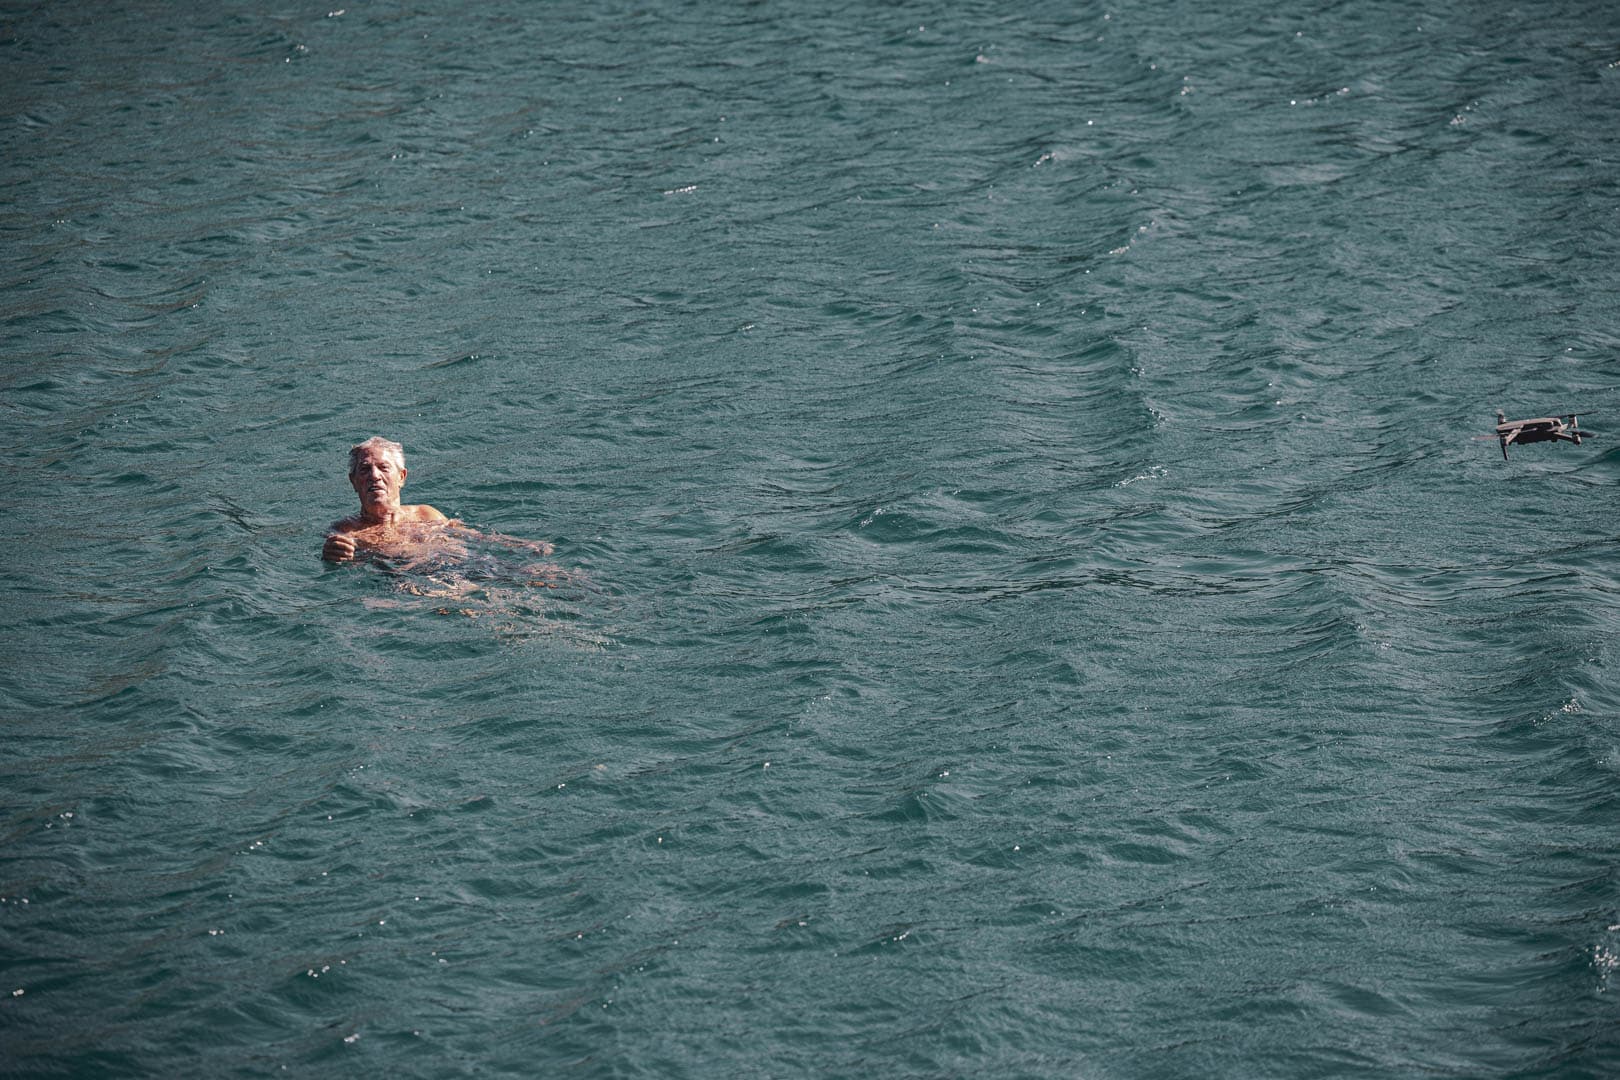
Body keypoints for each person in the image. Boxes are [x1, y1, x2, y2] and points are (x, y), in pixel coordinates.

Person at [321, 436, 453, 562]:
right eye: (365, 469)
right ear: (353, 481)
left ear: (401, 477)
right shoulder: (345, 531)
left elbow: (466, 541)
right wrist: (332, 555)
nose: (374, 475)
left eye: (383, 467)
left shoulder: (426, 515)